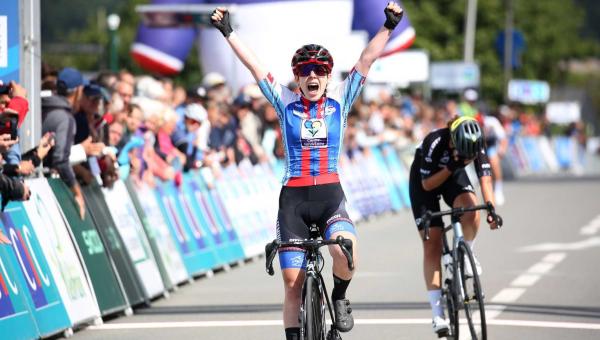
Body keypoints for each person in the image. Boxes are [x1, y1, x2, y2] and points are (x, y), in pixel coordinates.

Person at [211, 2, 404, 339]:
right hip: (294, 200)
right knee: (292, 284)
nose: (312, 76)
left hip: (330, 196)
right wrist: (228, 32)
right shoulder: (284, 100)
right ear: (296, 78)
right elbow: (255, 67)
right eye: (305, 71)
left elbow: (366, 60)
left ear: (329, 76)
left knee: (345, 249)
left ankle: (340, 297)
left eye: (319, 70)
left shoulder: (341, 99)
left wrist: (388, 26)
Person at [408, 116, 499, 336]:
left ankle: (466, 252)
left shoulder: (475, 142)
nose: (470, 156)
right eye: (465, 152)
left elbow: (485, 178)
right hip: (426, 180)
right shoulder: (435, 142)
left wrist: (491, 209)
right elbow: (427, 184)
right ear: (453, 141)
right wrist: (451, 165)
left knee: (471, 208)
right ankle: (438, 313)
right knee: (433, 244)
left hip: (453, 172)